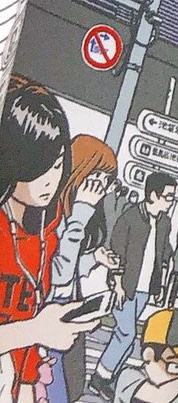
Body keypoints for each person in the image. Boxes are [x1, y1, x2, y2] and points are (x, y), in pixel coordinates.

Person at [0, 79, 105, 401]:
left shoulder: (45, 228)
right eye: (41, 166)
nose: (51, 179)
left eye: (58, 165)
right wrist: (35, 330)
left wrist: (28, 385)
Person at [50, 137, 122, 403]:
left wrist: (94, 258)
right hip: (48, 315)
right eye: (97, 177)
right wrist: (81, 212)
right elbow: (58, 274)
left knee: (72, 386)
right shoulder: (53, 211)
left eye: (106, 180)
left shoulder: (77, 212)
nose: (100, 187)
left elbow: (68, 268)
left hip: (67, 310)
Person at [91, 176, 176, 397]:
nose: (171, 201)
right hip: (125, 285)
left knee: (128, 339)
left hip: (145, 288)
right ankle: (99, 378)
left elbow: (163, 253)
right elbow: (117, 250)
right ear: (153, 195)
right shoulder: (130, 217)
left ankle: (109, 377)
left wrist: (160, 285)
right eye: (168, 196)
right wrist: (118, 284)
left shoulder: (165, 223)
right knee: (126, 333)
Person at [107, 309, 178, 403]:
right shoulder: (130, 376)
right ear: (149, 355)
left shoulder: (176, 393)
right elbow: (156, 396)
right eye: (175, 366)